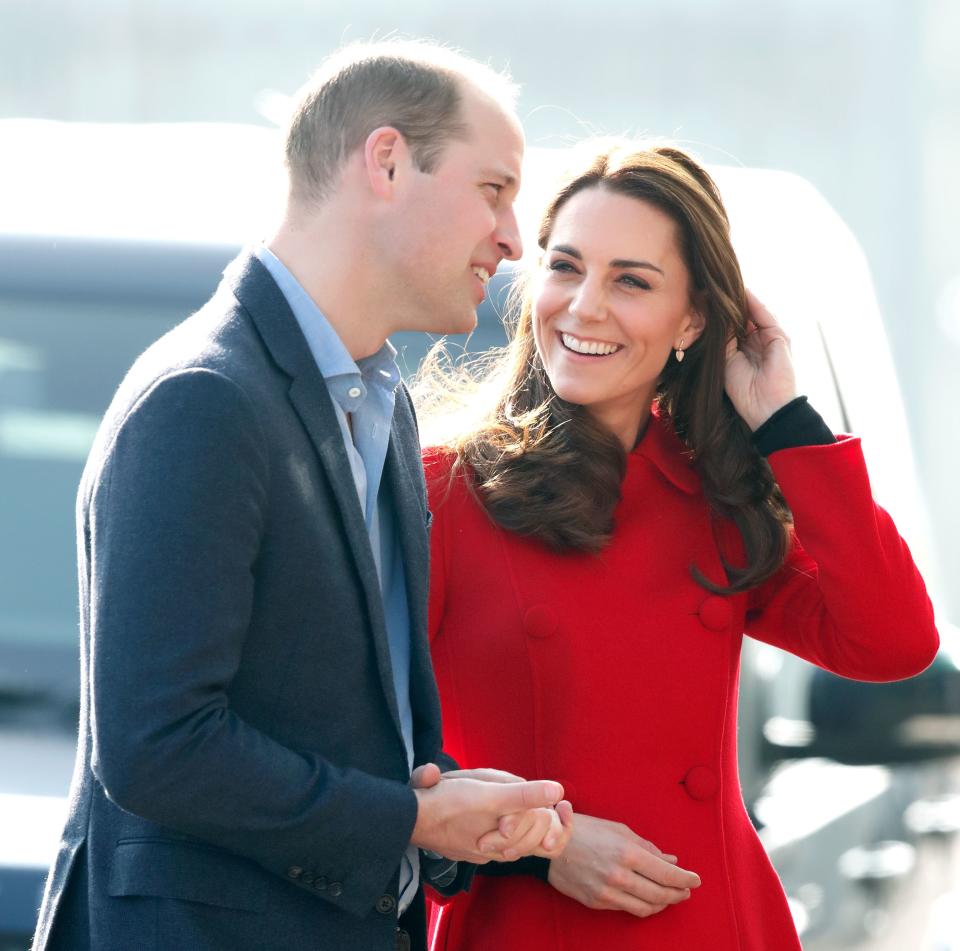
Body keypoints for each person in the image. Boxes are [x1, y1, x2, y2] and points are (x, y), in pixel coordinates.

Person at [32, 40, 573, 951]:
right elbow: (158, 747)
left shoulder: (384, 406)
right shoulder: (203, 398)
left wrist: (456, 808)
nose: (515, 239)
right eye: (495, 190)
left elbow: (353, 719)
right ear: (389, 162)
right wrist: (406, 816)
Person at [417, 141, 940, 950]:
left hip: (716, 925)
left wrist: (787, 423)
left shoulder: (717, 500)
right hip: (527, 926)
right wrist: (540, 846)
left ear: (692, 319)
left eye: (631, 280)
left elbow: (894, 641)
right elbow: (358, 744)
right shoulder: (447, 488)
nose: (585, 306)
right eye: (565, 267)